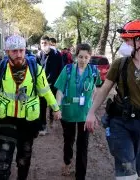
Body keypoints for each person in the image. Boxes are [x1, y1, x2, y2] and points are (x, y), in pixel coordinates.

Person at [84, 20, 140, 179]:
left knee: (137, 170)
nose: (124, 45)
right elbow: (104, 89)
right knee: (127, 169)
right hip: (119, 122)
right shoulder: (119, 64)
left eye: (127, 40)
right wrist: (91, 112)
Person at [0, 35, 61, 180]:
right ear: (7, 52)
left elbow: (45, 91)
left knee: (24, 160)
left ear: (25, 50)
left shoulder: (36, 69)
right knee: (2, 162)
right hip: (6, 120)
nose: (18, 54)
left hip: (28, 121)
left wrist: (56, 108)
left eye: (21, 51)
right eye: (14, 51)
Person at [55, 43, 101, 180]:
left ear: (90, 57)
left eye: (86, 57)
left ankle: (80, 175)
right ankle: (67, 161)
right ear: (76, 57)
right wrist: (57, 108)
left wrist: (92, 106)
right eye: (80, 57)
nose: (83, 60)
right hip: (68, 112)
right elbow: (60, 90)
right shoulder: (68, 69)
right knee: (68, 140)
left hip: (85, 114)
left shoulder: (93, 71)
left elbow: (96, 89)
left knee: (83, 145)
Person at [37, 35, 64, 135]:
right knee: (42, 106)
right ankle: (43, 126)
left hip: (54, 84)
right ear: (40, 44)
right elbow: (36, 70)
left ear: (49, 44)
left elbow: (61, 70)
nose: (44, 45)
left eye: (46, 43)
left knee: (53, 104)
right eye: (42, 43)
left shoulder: (57, 54)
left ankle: (53, 120)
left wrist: (59, 85)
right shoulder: (39, 55)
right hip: (42, 86)